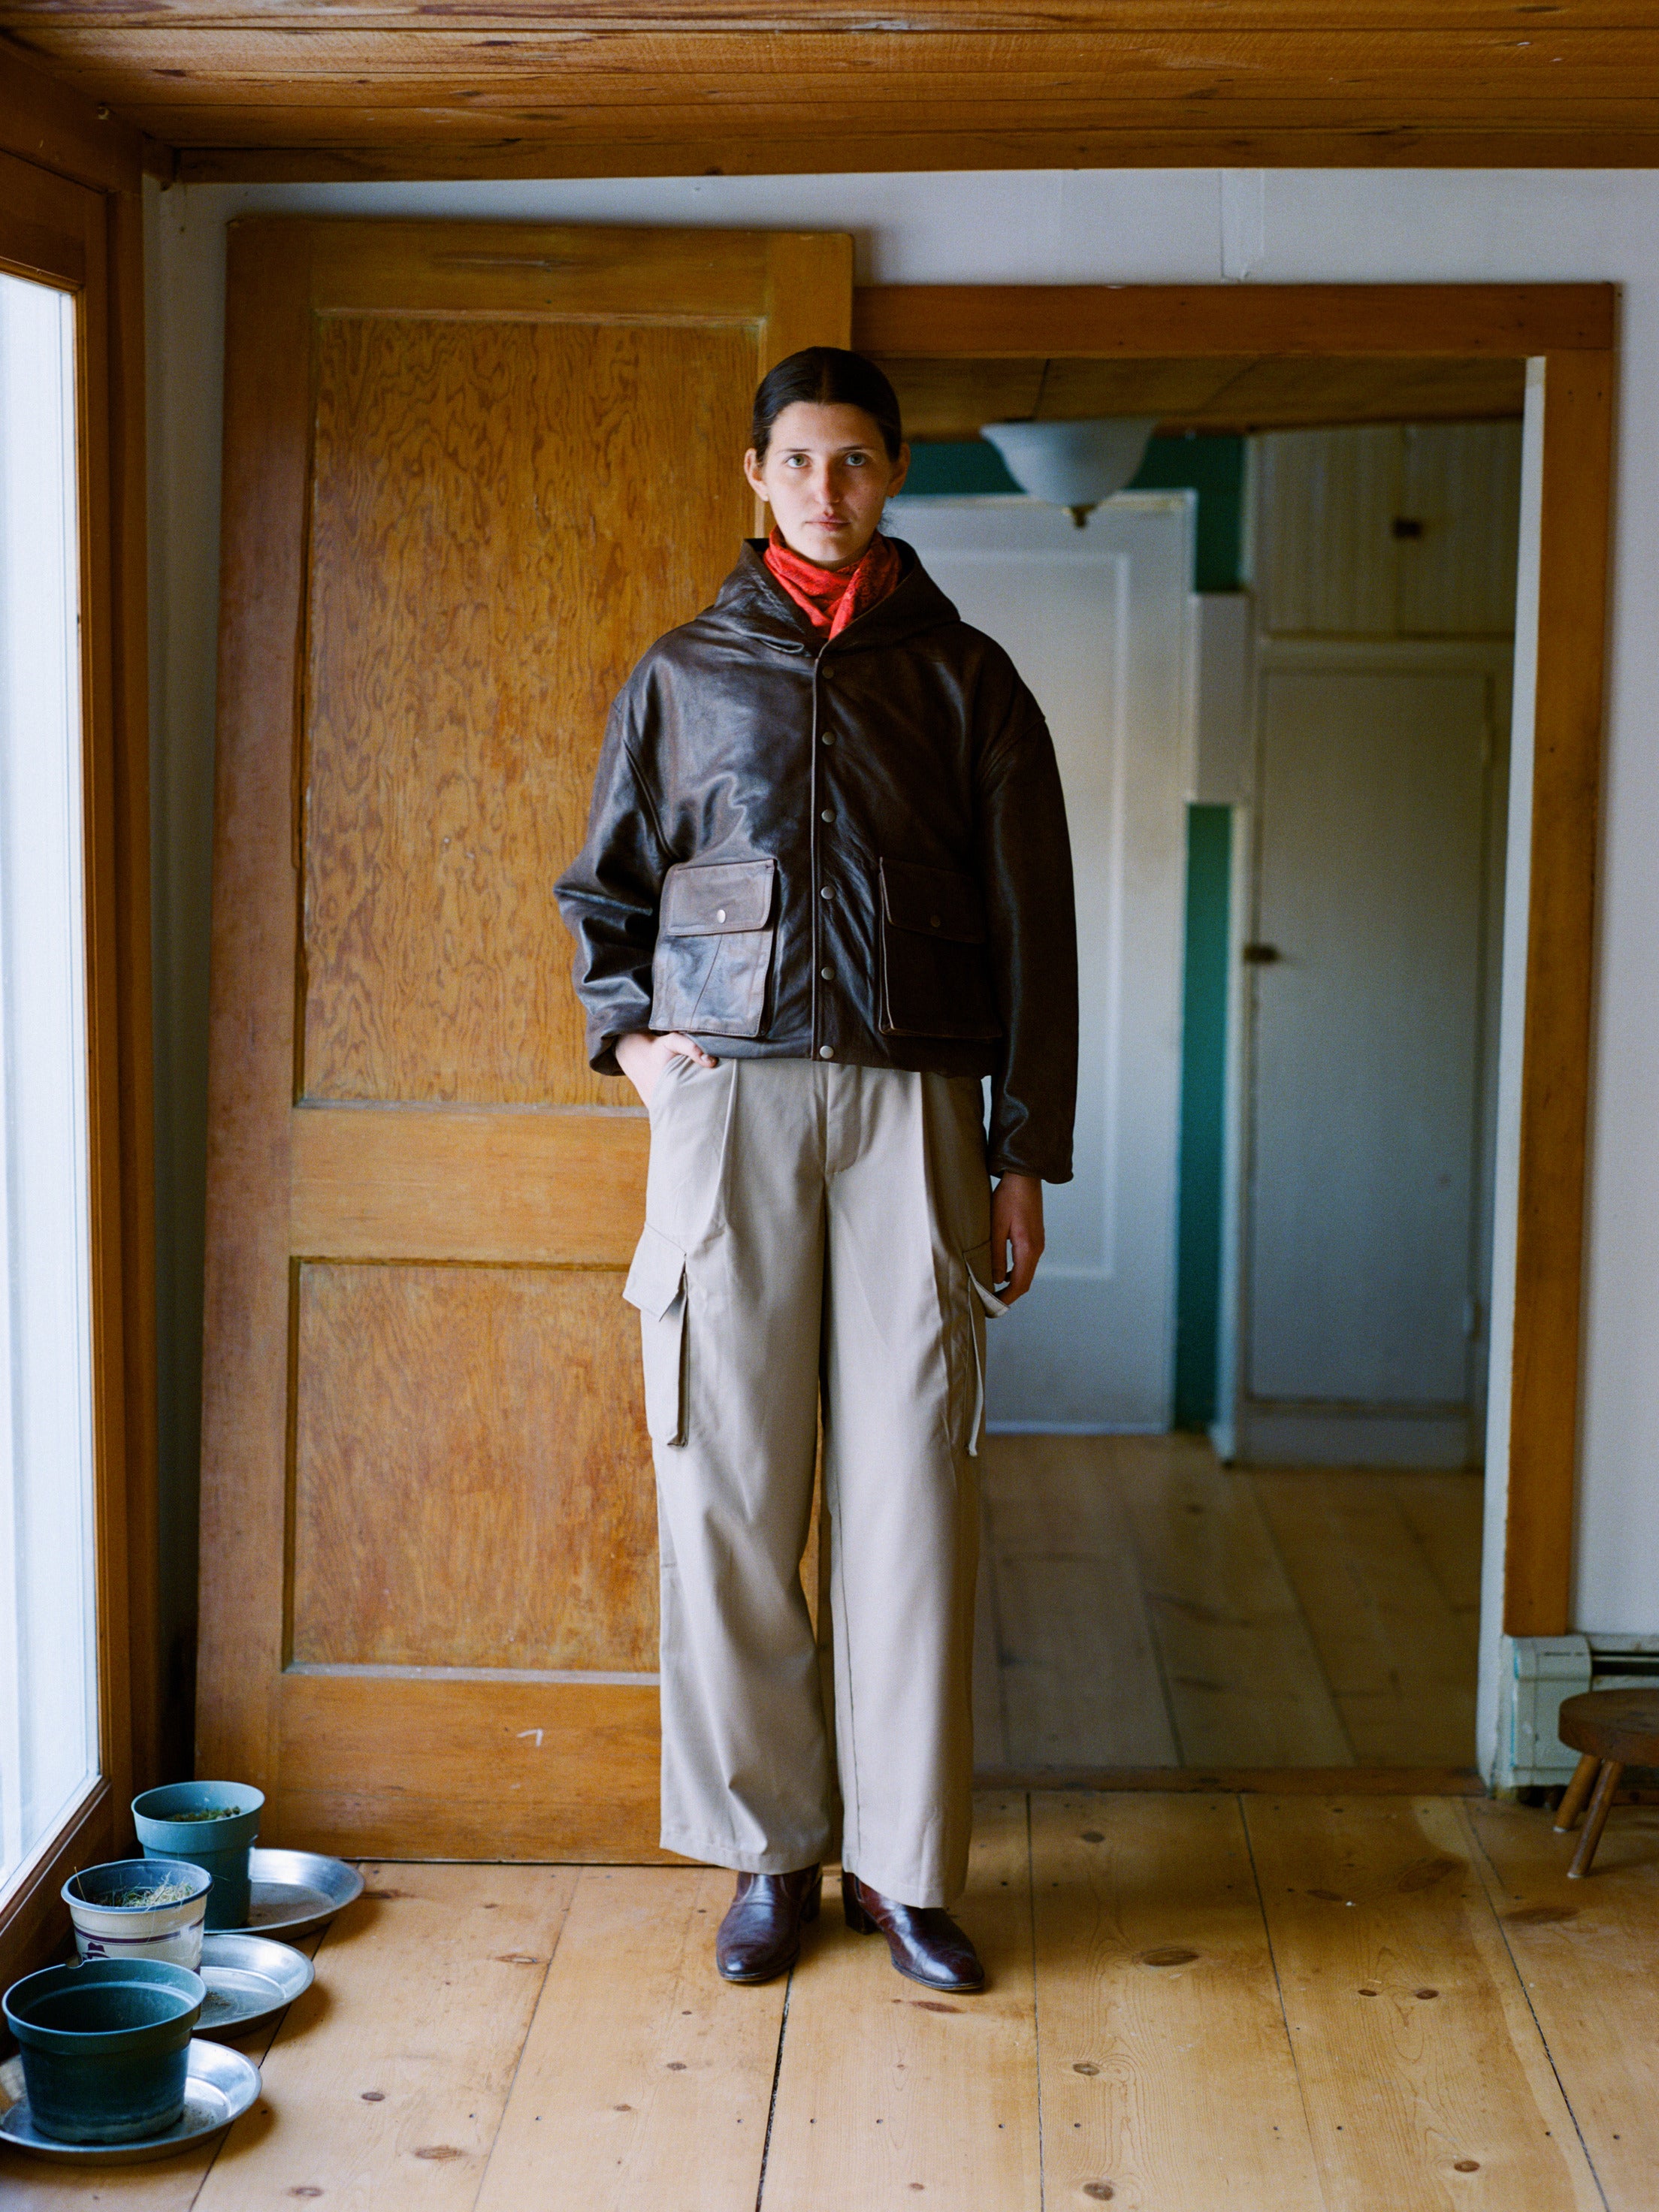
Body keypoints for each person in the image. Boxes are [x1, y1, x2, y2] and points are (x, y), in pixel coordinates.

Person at [557, 347, 1077, 1994]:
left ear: (891, 472)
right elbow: (605, 892)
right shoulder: (684, 674)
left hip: (916, 1116)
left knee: (916, 1491)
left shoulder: (968, 680)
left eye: (854, 460)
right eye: (798, 459)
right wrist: (633, 1044)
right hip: (733, 1111)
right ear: (755, 472)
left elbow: (1034, 932)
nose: (825, 488)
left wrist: (1022, 1151)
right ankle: (768, 1854)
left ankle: (908, 1871)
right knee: (726, 1486)